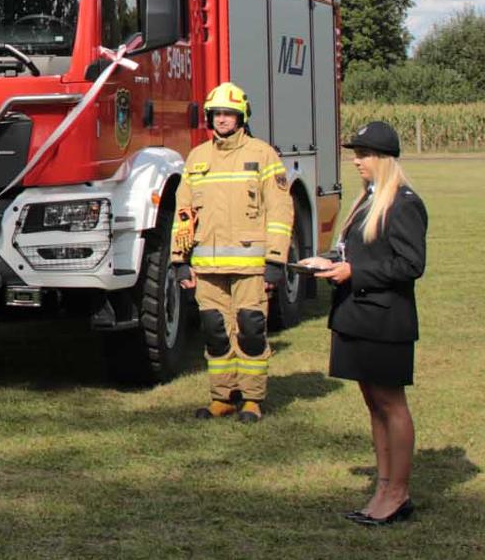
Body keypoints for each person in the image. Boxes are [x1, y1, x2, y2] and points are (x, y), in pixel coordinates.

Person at [313, 121, 427, 526]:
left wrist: (353, 272)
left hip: (384, 319)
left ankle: (399, 493)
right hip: (357, 316)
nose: (356, 161)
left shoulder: (404, 203)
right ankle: (383, 487)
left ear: (383, 158)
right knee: (373, 404)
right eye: (355, 153)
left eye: (363, 154)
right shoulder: (368, 200)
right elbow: (355, 250)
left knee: (391, 404)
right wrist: (326, 260)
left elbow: (410, 264)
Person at [170, 83, 294, 423]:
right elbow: (184, 213)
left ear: (241, 116)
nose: (223, 119)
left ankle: (252, 398)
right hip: (208, 268)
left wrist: (275, 260)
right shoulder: (197, 158)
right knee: (215, 330)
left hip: (252, 267)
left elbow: (281, 210)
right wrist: (180, 261)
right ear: (210, 117)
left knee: (251, 329)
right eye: (217, 114)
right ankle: (222, 397)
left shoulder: (263, 154)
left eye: (229, 113)